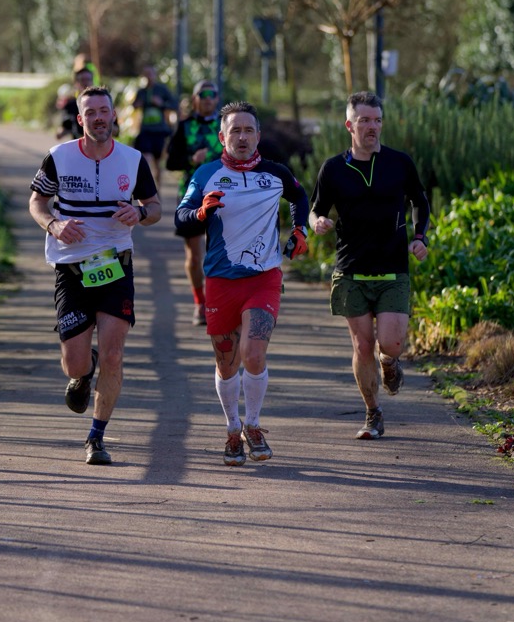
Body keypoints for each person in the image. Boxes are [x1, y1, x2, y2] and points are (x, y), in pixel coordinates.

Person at [29, 85, 161, 465]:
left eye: (104, 111)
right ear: (80, 118)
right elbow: (37, 202)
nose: (99, 118)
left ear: (114, 116)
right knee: (74, 364)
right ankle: (84, 369)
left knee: (114, 355)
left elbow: (154, 207)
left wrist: (140, 213)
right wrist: (53, 225)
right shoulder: (59, 157)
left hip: (116, 265)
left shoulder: (132, 160)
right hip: (71, 268)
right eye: (91, 113)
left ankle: (96, 437)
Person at [175, 101, 310, 466]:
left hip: (263, 278)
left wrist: (300, 229)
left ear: (258, 136)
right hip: (221, 280)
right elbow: (181, 217)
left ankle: (253, 424)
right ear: (222, 137)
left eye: (249, 130)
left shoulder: (275, 173)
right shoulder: (206, 174)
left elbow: (299, 195)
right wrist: (201, 211)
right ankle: (232, 429)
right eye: (235, 130)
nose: (242, 137)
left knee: (253, 354)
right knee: (226, 363)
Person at [308, 90, 430, 441]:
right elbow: (316, 209)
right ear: (350, 125)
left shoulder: (399, 163)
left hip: (393, 269)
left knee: (391, 344)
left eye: (377, 120)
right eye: (364, 120)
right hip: (351, 270)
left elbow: (420, 201)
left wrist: (420, 237)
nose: (372, 127)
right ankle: (373, 413)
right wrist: (317, 222)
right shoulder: (333, 168)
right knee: (362, 347)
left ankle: (389, 363)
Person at [165, 79, 223, 326]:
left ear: (217, 99)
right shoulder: (185, 126)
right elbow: (171, 162)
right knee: (194, 255)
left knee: (220, 252)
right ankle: (200, 302)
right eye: (203, 94)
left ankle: (217, 302)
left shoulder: (227, 125)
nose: (208, 98)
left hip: (223, 194)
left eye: (212, 94)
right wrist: (191, 159)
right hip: (192, 195)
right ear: (195, 99)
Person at [133, 64, 179, 189]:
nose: (148, 77)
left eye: (150, 74)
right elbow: (134, 105)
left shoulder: (162, 90)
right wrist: (137, 104)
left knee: (158, 163)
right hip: (145, 131)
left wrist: (161, 104)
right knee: (146, 159)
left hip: (159, 131)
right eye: (146, 74)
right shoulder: (141, 91)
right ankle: (148, 188)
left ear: (155, 75)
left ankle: (157, 190)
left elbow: (174, 105)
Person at [57, 65, 95, 139]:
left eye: (88, 79)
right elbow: (65, 127)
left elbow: (116, 129)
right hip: (78, 144)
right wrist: (60, 133)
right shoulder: (70, 104)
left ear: (92, 81)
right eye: (82, 80)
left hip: (99, 145)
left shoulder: (103, 102)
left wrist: (101, 128)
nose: (86, 83)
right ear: (76, 83)